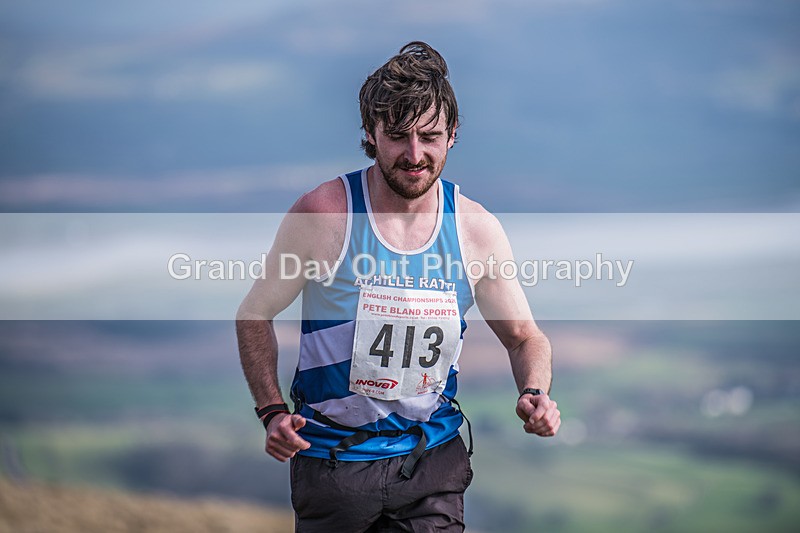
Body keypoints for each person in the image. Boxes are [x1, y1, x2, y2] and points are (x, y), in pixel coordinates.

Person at [236, 41, 560, 532]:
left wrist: (534, 391)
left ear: (452, 135)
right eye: (398, 136)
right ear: (370, 134)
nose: (415, 155)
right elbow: (254, 314)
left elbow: (524, 337)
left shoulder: (476, 229)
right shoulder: (326, 215)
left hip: (431, 462)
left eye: (429, 136)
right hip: (334, 465)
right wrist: (272, 411)